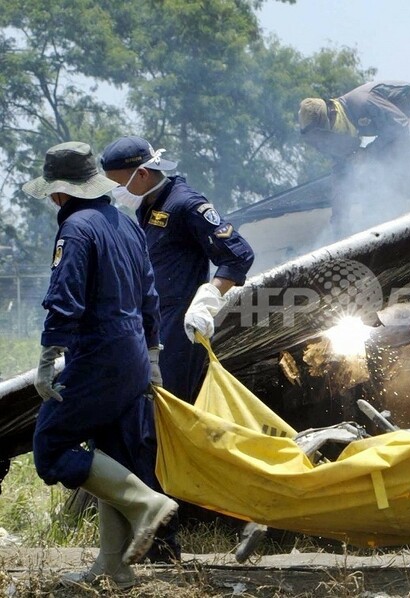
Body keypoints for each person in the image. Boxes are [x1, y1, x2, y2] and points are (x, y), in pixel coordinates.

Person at [23, 141, 178, 589]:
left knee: (51, 447)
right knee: (114, 453)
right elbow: (151, 297)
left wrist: (49, 357)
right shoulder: (127, 225)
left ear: (59, 192)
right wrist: (151, 356)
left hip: (99, 354)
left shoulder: (76, 229)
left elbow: (65, 297)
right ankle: (114, 566)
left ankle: (146, 504)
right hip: (131, 353)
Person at [100, 136, 255, 561]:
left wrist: (208, 298)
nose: (118, 191)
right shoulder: (149, 205)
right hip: (151, 331)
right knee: (149, 429)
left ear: (142, 174)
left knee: (159, 431)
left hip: (179, 333)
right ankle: (160, 533)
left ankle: (164, 539)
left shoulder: (187, 204)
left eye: (119, 182)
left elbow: (238, 255)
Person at [298, 80, 410, 161]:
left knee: (396, 147)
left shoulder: (362, 101)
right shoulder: (341, 126)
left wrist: (368, 153)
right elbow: (341, 169)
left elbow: (400, 128)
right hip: (402, 123)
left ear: (332, 113)